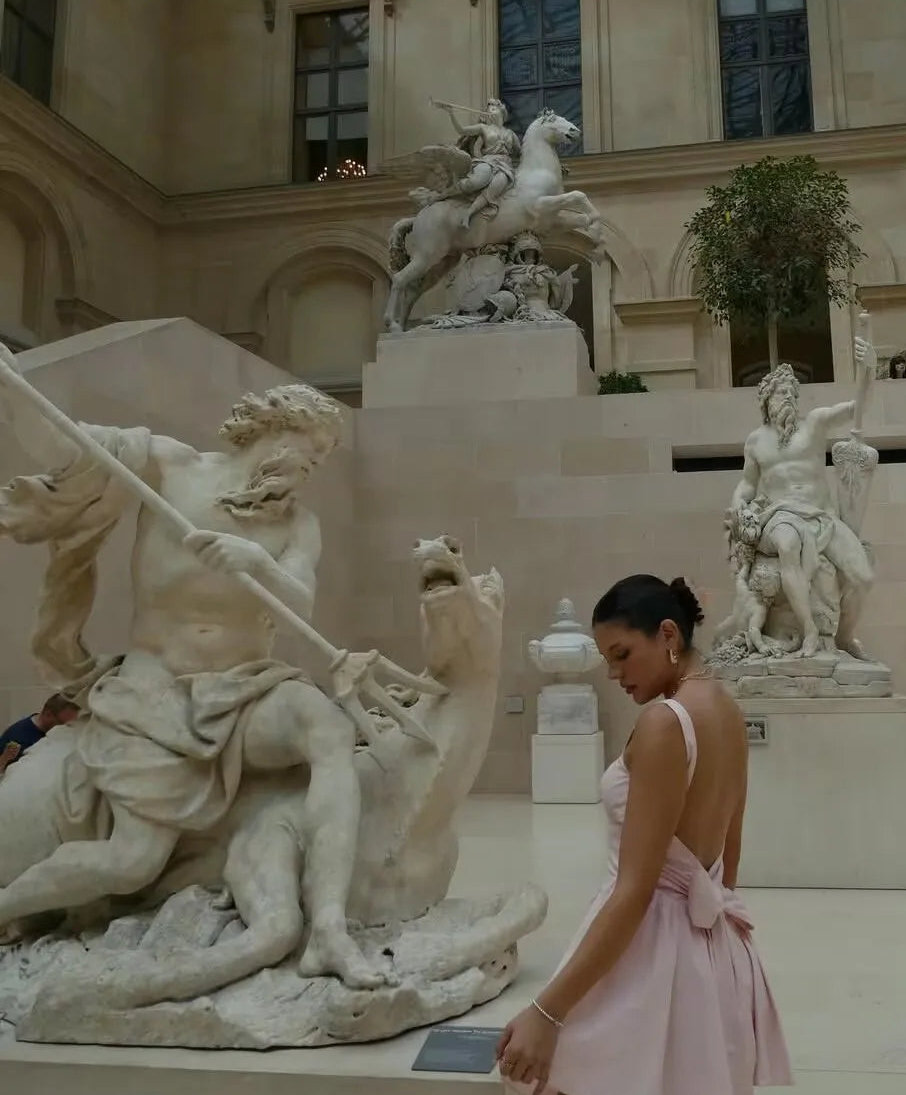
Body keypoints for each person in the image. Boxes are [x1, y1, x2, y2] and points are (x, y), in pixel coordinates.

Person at [0, 342, 394, 989]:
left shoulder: (300, 523)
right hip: (155, 689)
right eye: (308, 450)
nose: (309, 469)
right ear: (271, 430)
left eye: (321, 461)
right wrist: (13, 388)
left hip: (244, 687)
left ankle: (327, 927)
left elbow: (300, 595)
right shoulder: (167, 467)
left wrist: (256, 562)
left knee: (324, 725)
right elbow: (65, 451)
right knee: (130, 862)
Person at [497, 575, 791, 1095]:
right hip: (710, 955)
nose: (614, 673)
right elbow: (726, 860)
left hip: (646, 963)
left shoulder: (664, 722)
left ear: (668, 634)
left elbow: (635, 889)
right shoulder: (724, 708)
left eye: (623, 653)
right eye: (606, 659)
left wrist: (547, 1011)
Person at [728, 334, 876, 658]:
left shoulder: (815, 424)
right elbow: (748, 484)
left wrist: (868, 369)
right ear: (767, 400)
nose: (787, 398)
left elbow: (857, 407)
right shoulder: (756, 442)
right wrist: (738, 504)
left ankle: (845, 637)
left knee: (863, 577)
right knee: (788, 546)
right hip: (781, 515)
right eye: (781, 393)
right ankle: (809, 629)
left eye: (792, 393)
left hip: (823, 517)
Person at [431, 97, 521, 229]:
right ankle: (446, 194)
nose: (490, 111)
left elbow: (520, 152)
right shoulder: (483, 128)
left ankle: (469, 213)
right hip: (488, 161)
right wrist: (451, 113)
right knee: (477, 181)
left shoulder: (511, 134)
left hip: (505, 167)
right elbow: (461, 130)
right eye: (489, 109)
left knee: (493, 189)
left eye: (494, 108)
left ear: (502, 111)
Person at [0, 694, 79, 768]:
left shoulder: (54, 731)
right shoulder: (18, 736)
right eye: (61, 723)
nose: (64, 728)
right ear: (48, 714)